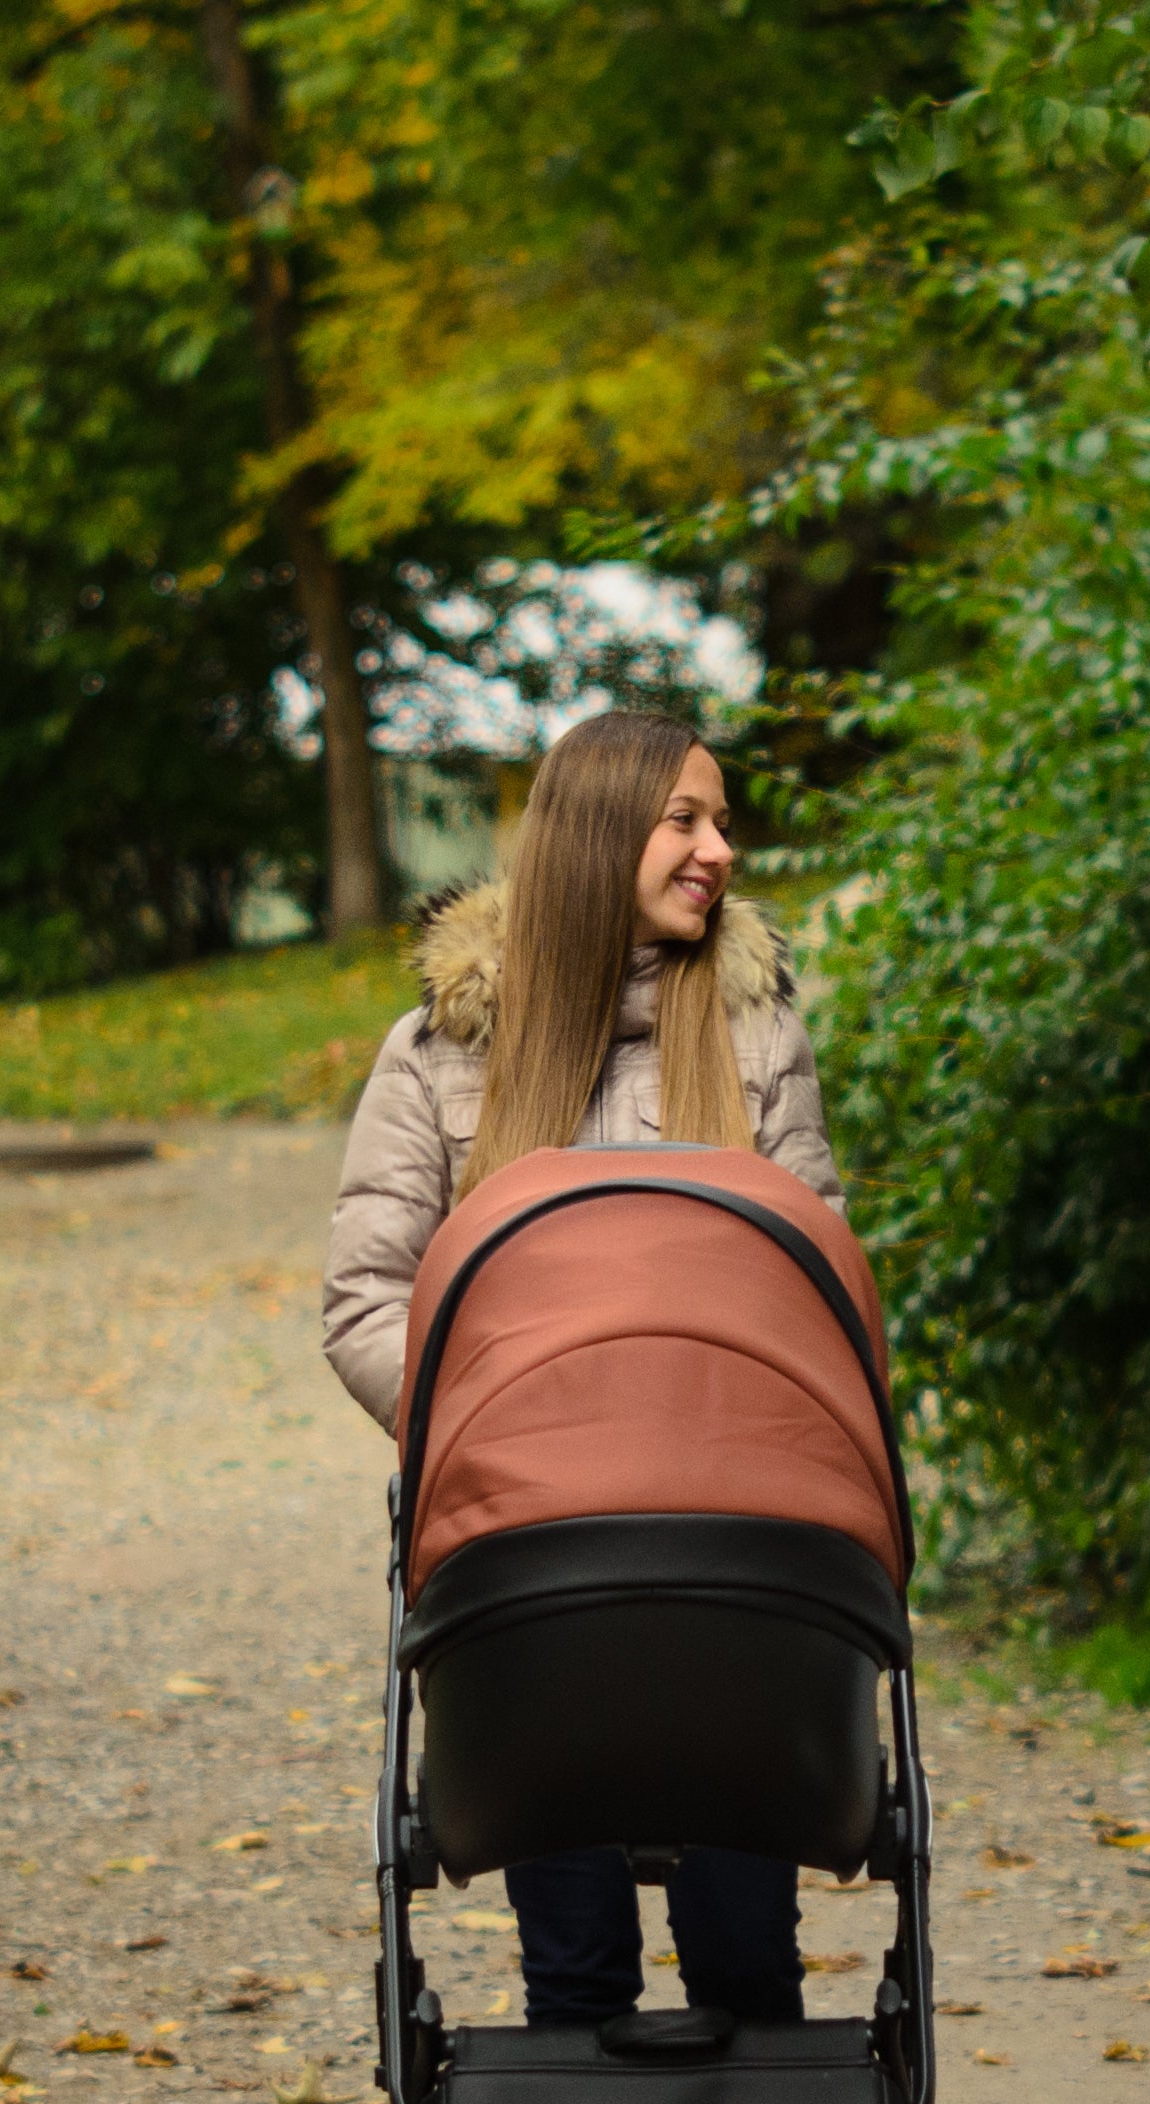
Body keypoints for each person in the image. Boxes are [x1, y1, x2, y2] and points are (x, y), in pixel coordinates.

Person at [322, 706, 844, 2036]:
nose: (718, 849)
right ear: (599, 834)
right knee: (572, 1969)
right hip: (528, 1542)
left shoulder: (755, 1041)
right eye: (686, 819)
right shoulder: (440, 1054)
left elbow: (820, 1286)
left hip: (728, 1539)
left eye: (720, 821)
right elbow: (368, 1299)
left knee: (745, 1956)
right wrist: (476, 1444)